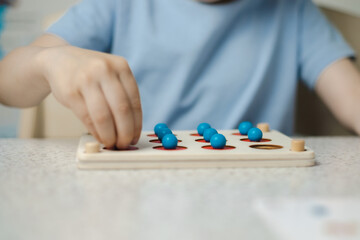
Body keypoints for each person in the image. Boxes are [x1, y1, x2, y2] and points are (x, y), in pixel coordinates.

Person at [0, 0, 359, 149]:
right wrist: (47, 63)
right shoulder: (118, 5)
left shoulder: (291, 9)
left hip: (261, 198)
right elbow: (6, 83)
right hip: (138, 195)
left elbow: (352, 101)